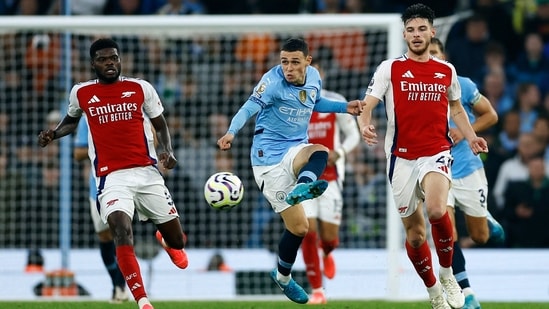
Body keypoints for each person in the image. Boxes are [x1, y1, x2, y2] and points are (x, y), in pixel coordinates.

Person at [38, 38, 188, 309]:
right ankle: (142, 300)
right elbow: (70, 121)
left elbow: (160, 124)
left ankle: (166, 240)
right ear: (93, 63)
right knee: (120, 228)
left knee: (178, 239)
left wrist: (167, 150)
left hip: (147, 173)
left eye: (114, 58)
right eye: (104, 59)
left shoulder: (140, 88)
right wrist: (54, 133)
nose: (110, 63)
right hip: (111, 178)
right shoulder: (81, 93)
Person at [357, 4, 488, 309]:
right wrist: (365, 125)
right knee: (415, 237)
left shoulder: (446, 70)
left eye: (421, 29)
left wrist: (471, 137)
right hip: (401, 159)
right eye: (411, 30)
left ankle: (447, 274)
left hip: (437, 153)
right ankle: (434, 294)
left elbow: (456, 108)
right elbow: (368, 103)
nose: (416, 35)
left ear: (432, 31)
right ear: (404, 34)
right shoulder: (389, 68)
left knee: (437, 210)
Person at [217, 37, 364, 304]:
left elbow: (315, 102)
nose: (288, 67)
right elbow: (249, 107)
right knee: (299, 228)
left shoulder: (314, 77)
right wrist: (231, 132)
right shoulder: (271, 83)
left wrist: (345, 107)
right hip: (267, 161)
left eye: (295, 62)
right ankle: (283, 276)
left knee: (320, 151)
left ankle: (302, 186)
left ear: (308, 62)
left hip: (295, 149)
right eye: (284, 61)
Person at [430, 37, 505, 309]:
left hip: (469, 169)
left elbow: (491, 115)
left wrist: (464, 131)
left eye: (435, 53)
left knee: (479, 236)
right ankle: (466, 292)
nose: (432, 58)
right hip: (437, 172)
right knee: (445, 232)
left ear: (444, 56)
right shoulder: (415, 91)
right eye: (427, 54)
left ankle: (485, 218)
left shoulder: (462, 84)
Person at [300, 62, 361, 304]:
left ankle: (327, 252)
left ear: (321, 75)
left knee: (329, 238)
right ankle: (317, 290)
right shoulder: (293, 104)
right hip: (302, 178)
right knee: (308, 232)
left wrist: (340, 152)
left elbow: (354, 135)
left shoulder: (335, 101)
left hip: (331, 178)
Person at [73, 116, 128, 303]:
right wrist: (101, 143)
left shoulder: (124, 110)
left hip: (124, 184)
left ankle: (124, 286)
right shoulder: (86, 119)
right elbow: (78, 153)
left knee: (122, 234)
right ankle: (117, 284)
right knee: (104, 237)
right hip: (96, 187)